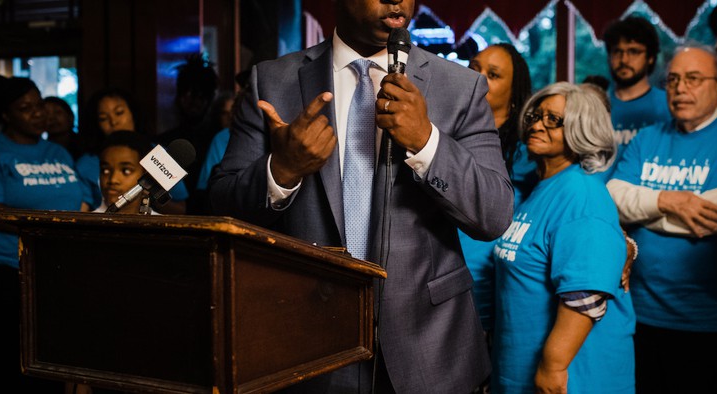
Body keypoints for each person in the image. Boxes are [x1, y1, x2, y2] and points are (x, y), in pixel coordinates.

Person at [208, 0, 515, 392]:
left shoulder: (460, 87)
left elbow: (494, 214)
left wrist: (428, 142)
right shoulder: (271, 81)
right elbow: (223, 205)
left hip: (431, 350)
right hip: (308, 344)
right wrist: (282, 170)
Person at [607, 45, 717, 393]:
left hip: (711, 319)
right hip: (638, 311)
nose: (679, 88)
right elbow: (612, 199)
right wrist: (667, 200)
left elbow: (716, 215)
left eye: (693, 79)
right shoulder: (648, 137)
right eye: (673, 79)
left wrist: (642, 209)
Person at [492, 82, 633, 393]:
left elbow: (586, 296)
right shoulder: (540, 186)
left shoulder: (581, 194)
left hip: (573, 377)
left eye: (554, 120)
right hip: (520, 370)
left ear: (583, 130)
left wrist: (552, 366)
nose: (538, 124)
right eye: (535, 116)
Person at [0, 76, 82, 392]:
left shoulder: (56, 153)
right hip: (2, 269)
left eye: (40, 104)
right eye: (25, 108)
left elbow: (79, 203)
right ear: (6, 115)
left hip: (54, 268)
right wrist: (44, 228)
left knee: (49, 362)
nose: (38, 113)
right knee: (6, 364)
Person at [462, 43, 533, 334]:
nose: (478, 79)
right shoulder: (439, 131)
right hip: (443, 274)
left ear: (514, 94)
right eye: (475, 67)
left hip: (494, 280)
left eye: (493, 75)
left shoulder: (529, 150)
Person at [76, 88, 188, 214]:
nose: (113, 122)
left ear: (133, 113)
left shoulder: (159, 156)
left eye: (119, 113)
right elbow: (81, 210)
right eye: (103, 118)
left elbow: (181, 209)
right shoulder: (86, 163)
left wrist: (148, 192)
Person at [597, 16, 672, 182]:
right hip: (599, 197)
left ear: (650, 57)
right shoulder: (594, 107)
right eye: (617, 51)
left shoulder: (670, 106)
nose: (624, 60)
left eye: (633, 51)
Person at [158, 55, 220, 214]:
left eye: (199, 95)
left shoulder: (220, 139)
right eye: (186, 93)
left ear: (208, 98)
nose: (192, 101)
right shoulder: (164, 141)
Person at [94, 130, 160, 214]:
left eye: (126, 171)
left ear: (147, 176)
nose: (113, 180)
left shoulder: (162, 225)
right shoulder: (85, 224)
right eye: (106, 171)